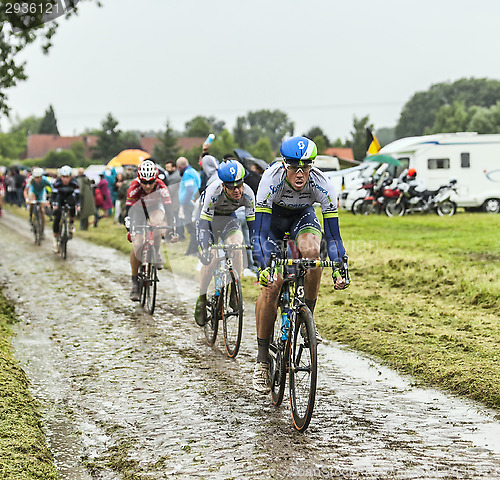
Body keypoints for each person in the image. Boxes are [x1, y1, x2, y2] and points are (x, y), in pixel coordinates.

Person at [251, 136, 349, 393]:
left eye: (305, 167)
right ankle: (262, 360)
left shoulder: (322, 184)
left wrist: (339, 266)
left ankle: (307, 319)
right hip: (272, 223)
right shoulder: (270, 181)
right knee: (273, 285)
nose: (300, 173)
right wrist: (263, 266)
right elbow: (259, 234)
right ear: (284, 165)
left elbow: (334, 236)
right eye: (294, 167)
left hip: (302, 218)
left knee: (314, 254)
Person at [194, 160, 256, 326]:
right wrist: (206, 247)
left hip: (229, 220)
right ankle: (202, 297)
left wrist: (257, 245)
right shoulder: (213, 192)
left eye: (239, 185)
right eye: (231, 187)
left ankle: (235, 289)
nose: (236, 190)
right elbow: (203, 224)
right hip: (207, 221)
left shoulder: (248, 194)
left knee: (237, 246)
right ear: (223, 185)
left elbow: (253, 225)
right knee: (211, 258)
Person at [124, 159, 175, 301]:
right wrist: (130, 229)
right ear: (139, 179)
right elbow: (128, 212)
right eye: (144, 182)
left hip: (154, 207)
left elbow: (169, 210)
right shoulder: (133, 187)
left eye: (150, 182)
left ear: (156, 179)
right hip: (138, 210)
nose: (147, 186)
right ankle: (134, 281)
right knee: (137, 243)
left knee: (157, 223)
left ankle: (156, 250)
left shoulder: (161, 186)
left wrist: (172, 228)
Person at [51, 165, 80, 253]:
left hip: (69, 197)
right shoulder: (57, 183)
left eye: (67, 177)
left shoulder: (75, 183)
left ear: (70, 176)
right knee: (57, 217)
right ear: (61, 177)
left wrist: (78, 205)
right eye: (63, 177)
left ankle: (71, 223)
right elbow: (53, 196)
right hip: (60, 198)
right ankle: (55, 241)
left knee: (72, 204)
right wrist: (54, 204)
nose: (65, 179)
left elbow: (78, 197)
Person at [176, 156, 201, 256]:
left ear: (179, 167)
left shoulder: (187, 174)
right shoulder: (193, 171)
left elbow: (190, 190)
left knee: (192, 229)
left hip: (189, 205)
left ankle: (192, 251)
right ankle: (192, 251)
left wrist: (183, 204)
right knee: (192, 229)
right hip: (191, 204)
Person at [25, 167, 52, 235]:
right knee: (32, 201)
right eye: (36, 177)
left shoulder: (45, 180)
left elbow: (53, 188)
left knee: (42, 210)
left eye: (39, 177)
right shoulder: (30, 179)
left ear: (41, 176)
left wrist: (51, 199)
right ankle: (31, 216)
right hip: (33, 192)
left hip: (41, 193)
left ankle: (42, 228)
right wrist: (26, 199)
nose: (37, 179)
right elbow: (25, 191)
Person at [164, 160, 183, 239]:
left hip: (175, 201)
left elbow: (170, 191)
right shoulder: (176, 175)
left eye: (169, 167)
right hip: (176, 200)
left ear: (174, 167)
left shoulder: (173, 178)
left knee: (176, 218)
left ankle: (180, 235)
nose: (167, 169)